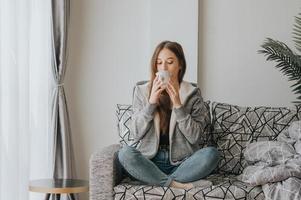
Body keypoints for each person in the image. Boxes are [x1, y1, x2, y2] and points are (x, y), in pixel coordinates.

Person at [118, 40, 220, 190]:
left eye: (170, 62)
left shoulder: (192, 93)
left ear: (180, 66)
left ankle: (157, 181)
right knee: (125, 154)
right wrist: (151, 103)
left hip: (182, 163)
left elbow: (195, 137)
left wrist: (178, 105)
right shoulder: (142, 91)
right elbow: (136, 133)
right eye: (159, 63)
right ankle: (178, 185)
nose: (163, 68)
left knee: (212, 154)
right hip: (149, 161)